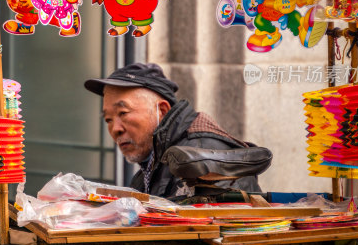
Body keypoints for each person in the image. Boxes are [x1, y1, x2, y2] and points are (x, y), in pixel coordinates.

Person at [84, 62, 267, 198]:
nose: (115, 129)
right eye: (108, 119)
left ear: (162, 111)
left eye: (123, 113)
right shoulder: (148, 171)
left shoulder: (200, 155)